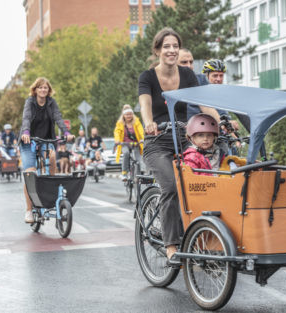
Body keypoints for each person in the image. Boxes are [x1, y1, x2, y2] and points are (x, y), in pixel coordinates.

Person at [138, 27, 220, 262]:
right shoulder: (147, 77)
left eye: (175, 46)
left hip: (184, 140)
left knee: (205, 182)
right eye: (166, 46)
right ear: (157, 50)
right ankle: (171, 244)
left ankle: (199, 235)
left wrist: (221, 121)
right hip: (157, 142)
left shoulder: (187, 75)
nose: (171, 50)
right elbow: (145, 105)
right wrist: (149, 123)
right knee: (172, 187)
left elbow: (203, 104)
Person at [20, 77, 74, 223]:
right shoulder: (30, 102)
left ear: (48, 90)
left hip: (46, 140)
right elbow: (26, 117)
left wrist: (66, 132)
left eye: (45, 88)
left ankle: (49, 193)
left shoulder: (51, 103)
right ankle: (29, 210)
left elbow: (58, 118)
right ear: (35, 89)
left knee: (51, 158)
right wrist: (25, 132)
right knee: (30, 173)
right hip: (28, 141)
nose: (43, 90)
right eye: (40, 87)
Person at [114, 104, 145, 181]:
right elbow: (117, 132)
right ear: (123, 115)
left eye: (130, 114)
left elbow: (141, 130)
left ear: (132, 114)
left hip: (135, 144)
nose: (129, 116)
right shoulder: (120, 123)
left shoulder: (136, 121)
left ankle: (139, 175)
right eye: (127, 114)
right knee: (126, 153)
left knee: (138, 159)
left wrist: (143, 138)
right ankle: (124, 173)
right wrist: (117, 140)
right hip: (124, 144)